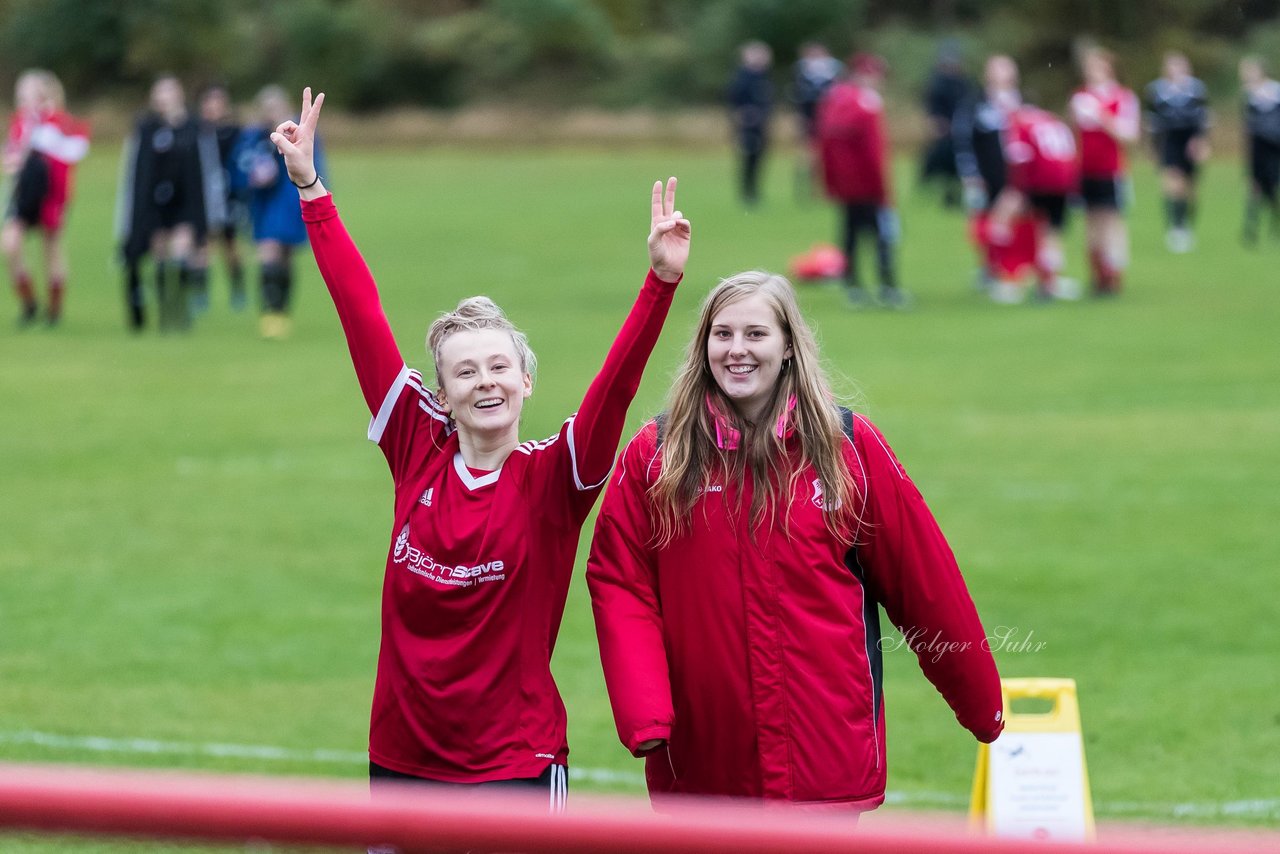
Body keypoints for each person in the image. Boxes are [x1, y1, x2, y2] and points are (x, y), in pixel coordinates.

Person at [270, 87, 688, 803]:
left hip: (514, 768)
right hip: (401, 763)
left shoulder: (556, 476)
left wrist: (660, 283)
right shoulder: (415, 444)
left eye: (499, 367)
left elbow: (614, 390)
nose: (485, 382)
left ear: (526, 382)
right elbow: (359, 313)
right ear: (442, 392)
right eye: (465, 371)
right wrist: (312, 188)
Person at [586, 269, 1005, 810]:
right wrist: (645, 709)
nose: (737, 350)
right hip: (704, 767)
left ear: (788, 345)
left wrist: (980, 701)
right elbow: (620, 582)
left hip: (824, 762)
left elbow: (924, 582)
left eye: (756, 334)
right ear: (703, 345)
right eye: (722, 334)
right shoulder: (657, 455)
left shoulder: (847, 447)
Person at [116, 75, 224, 331]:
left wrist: (212, 212)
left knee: (182, 250)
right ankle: (166, 312)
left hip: (185, 202)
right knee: (160, 254)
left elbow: (207, 170)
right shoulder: (146, 129)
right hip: (155, 203)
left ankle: (182, 310)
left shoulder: (194, 128)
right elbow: (134, 172)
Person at [232, 85, 323, 339]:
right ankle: (270, 313)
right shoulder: (253, 137)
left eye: (276, 108)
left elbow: (317, 165)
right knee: (268, 253)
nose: (272, 113)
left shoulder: (300, 133)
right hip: (263, 206)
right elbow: (238, 167)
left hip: (291, 202)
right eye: (267, 108)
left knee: (285, 257)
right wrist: (251, 177)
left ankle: (283, 310)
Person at [815, 53, 905, 308]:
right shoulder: (867, 105)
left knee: (851, 234)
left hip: (846, 185)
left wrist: (831, 182)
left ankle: (853, 287)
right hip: (868, 186)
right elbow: (874, 153)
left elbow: (824, 146)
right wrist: (884, 192)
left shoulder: (835, 100)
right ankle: (888, 287)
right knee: (883, 236)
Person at [2, 69, 89, 327]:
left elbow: (74, 150)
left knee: (51, 249)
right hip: (22, 195)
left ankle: (54, 310)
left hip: (50, 194)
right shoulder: (20, 122)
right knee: (11, 245)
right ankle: (29, 303)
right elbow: (12, 155)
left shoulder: (56, 121)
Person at [991, 104, 1081, 303]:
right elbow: (1071, 153)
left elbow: (1018, 156)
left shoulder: (1021, 124)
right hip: (1063, 182)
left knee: (1002, 219)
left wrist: (1016, 189)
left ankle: (1009, 276)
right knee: (1051, 232)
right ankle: (1050, 281)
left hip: (1038, 179)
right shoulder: (1055, 122)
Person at [1069, 46, 1139, 296]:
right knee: (1091, 222)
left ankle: (1113, 275)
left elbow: (1130, 135)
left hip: (1112, 169)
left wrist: (1103, 117)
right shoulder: (1080, 97)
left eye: (1097, 66)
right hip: (1086, 169)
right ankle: (1097, 274)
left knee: (1112, 221)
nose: (1092, 72)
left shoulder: (1123, 97)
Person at [952, 54, 1021, 292]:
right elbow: (963, 139)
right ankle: (990, 267)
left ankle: (1011, 267)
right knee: (984, 220)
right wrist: (969, 172)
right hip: (985, 172)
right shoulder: (975, 104)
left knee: (1014, 220)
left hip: (1015, 172)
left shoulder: (1020, 102)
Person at [1145, 51, 1210, 253]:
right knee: (1173, 184)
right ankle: (1176, 227)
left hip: (1190, 141)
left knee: (1190, 189)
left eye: (1179, 66)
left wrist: (1201, 142)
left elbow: (1204, 119)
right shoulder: (1156, 90)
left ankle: (1186, 224)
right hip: (1169, 141)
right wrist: (1153, 148)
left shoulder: (1196, 90)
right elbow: (1152, 123)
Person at [192, 82, 246, 313]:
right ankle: (200, 293)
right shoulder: (197, 131)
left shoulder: (234, 132)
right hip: (203, 196)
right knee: (203, 245)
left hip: (228, 196)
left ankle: (238, 289)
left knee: (230, 245)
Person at [919, 42, 972, 209]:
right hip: (945, 128)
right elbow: (933, 105)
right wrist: (936, 122)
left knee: (959, 162)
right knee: (940, 157)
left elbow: (968, 103)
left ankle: (953, 194)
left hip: (961, 127)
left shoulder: (962, 82)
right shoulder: (937, 82)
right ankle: (930, 184)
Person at [789, 42, 842, 201]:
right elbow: (799, 100)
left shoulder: (833, 74)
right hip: (810, 121)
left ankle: (830, 189)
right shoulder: (802, 74)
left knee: (830, 157)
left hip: (829, 122)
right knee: (809, 157)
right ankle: (808, 191)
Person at [1239, 56, 1280, 246]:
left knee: (1272, 186)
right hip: (1257, 147)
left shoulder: (1275, 90)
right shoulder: (1247, 94)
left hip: (1274, 146)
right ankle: (1250, 228)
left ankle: (1275, 221)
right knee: (1254, 185)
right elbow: (1246, 124)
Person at [728, 41, 773, 206]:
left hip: (760, 125)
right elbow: (734, 100)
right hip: (747, 126)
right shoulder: (742, 77)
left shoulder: (763, 76)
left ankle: (754, 192)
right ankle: (747, 193)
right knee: (748, 158)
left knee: (759, 159)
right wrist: (743, 115)